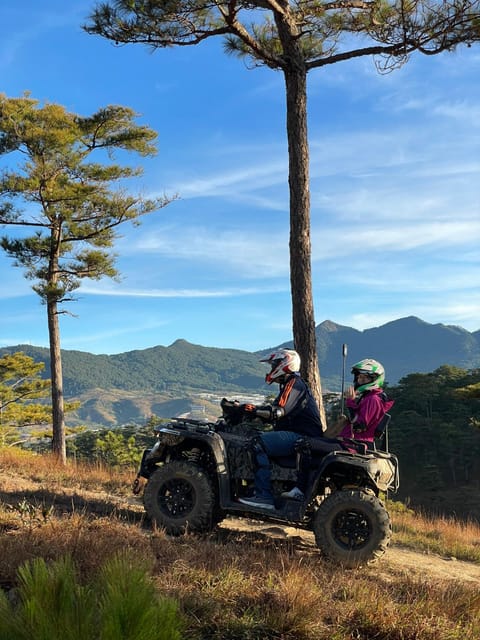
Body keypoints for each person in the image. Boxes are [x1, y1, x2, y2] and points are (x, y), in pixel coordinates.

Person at [237, 348, 324, 510]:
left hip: (302, 436)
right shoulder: (289, 384)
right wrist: (250, 412)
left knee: (257, 443)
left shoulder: (294, 384)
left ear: (285, 364)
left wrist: (253, 410)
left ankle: (263, 495)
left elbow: (277, 412)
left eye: (274, 365)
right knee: (257, 436)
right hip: (300, 434)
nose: (271, 369)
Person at [331, 358, 395, 446]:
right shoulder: (368, 397)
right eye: (360, 377)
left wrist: (350, 402)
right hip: (350, 441)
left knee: (308, 444)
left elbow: (358, 426)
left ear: (375, 379)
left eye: (366, 378)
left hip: (354, 445)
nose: (361, 380)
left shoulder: (373, 399)